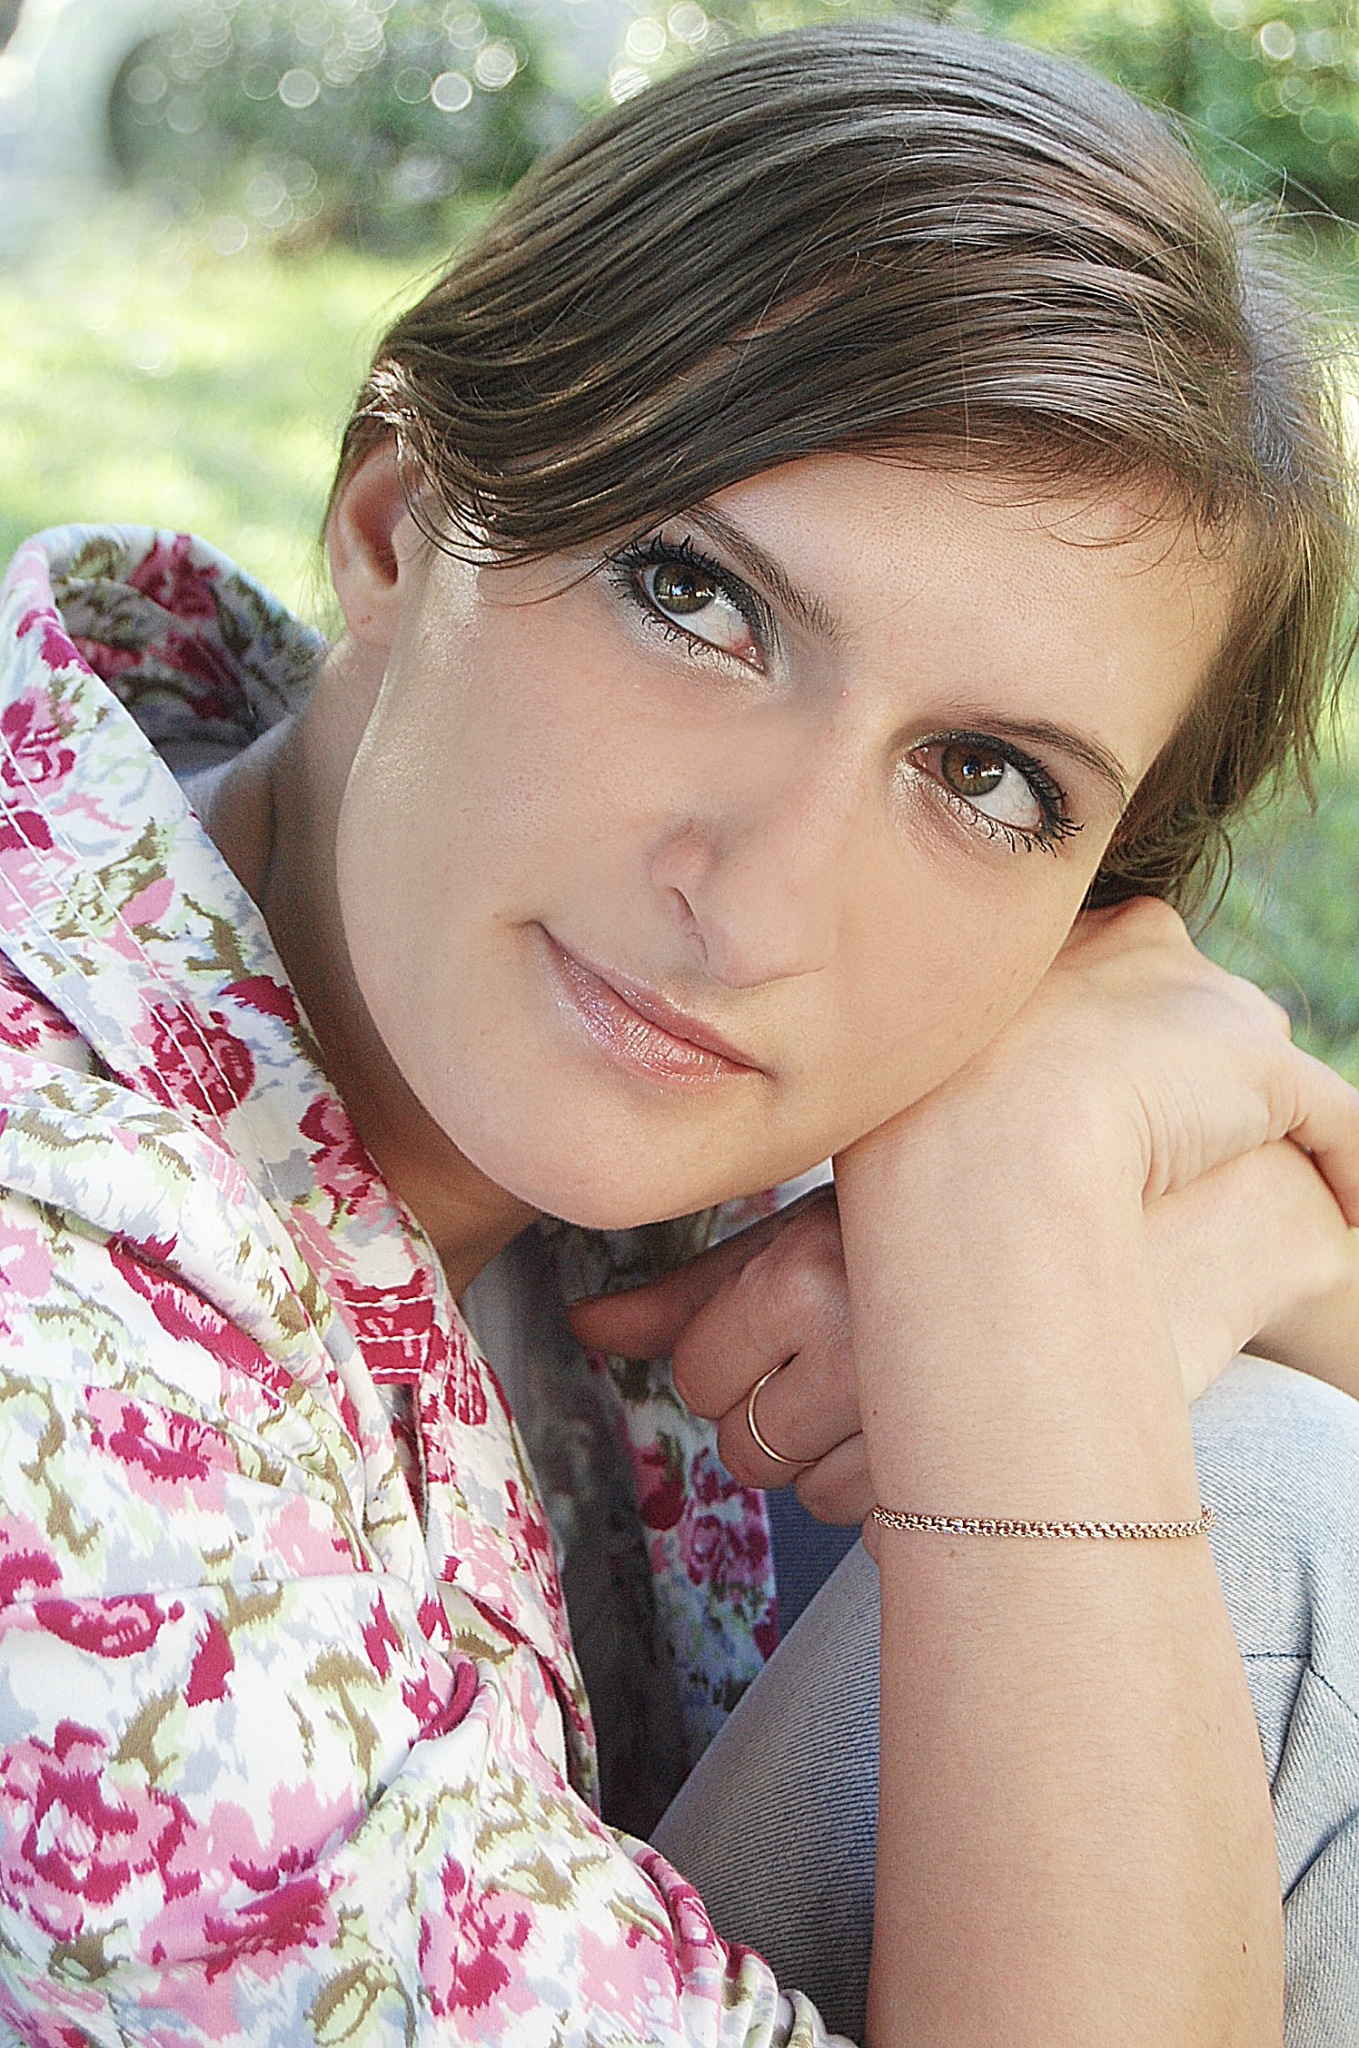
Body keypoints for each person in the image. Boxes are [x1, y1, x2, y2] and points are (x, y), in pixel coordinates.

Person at [0, 17, 1357, 2045]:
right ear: (397, 522)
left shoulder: (470, 935)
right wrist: (1023, 1249)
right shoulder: (49, 1322)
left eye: (984, 778)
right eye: (696, 597)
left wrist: (1196, 1237)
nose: (767, 905)